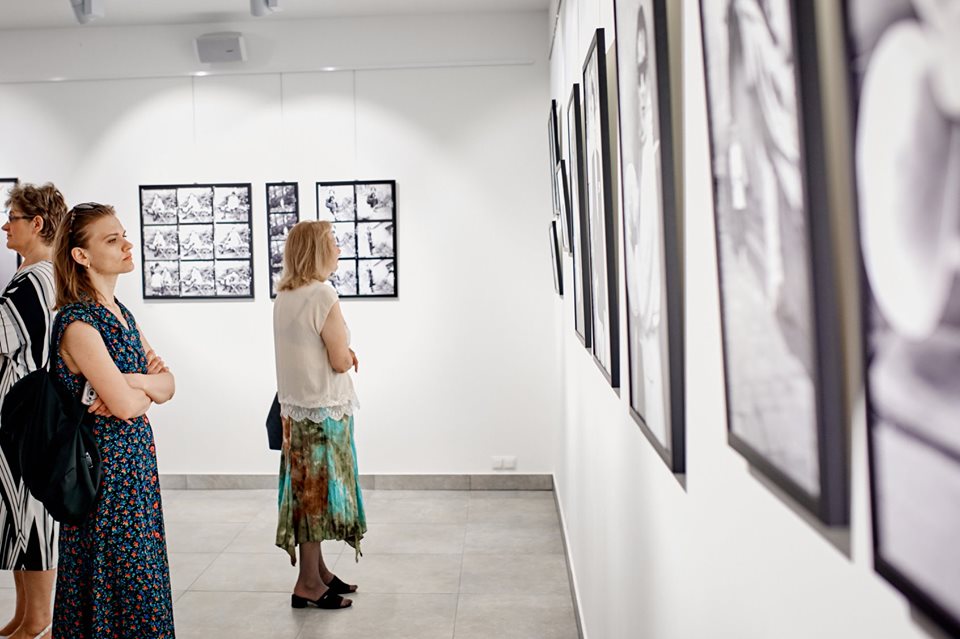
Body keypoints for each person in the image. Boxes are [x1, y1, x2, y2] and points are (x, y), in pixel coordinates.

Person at [50, 202, 176, 638]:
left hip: (135, 472)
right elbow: (124, 407)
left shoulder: (122, 314)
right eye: (112, 239)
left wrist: (133, 381)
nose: (127, 244)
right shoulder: (77, 325)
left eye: (123, 235)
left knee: (141, 581)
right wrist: (141, 389)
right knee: (115, 587)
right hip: (103, 480)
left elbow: (169, 385)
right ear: (81, 255)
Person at [273, 220, 365, 610]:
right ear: (317, 250)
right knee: (317, 498)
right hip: (323, 413)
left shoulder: (285, 295)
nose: (339, 248)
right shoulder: (323, 294)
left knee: (305, 494)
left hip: (295, 413)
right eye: (333, 242)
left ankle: (319, 572)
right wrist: (350, 354)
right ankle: (308, 583)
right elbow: (339, 360)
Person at [0, 183, 68, 639]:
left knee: (30, 514)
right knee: (17, 511)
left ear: (37, 223)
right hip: (25, 410)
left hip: (27, 412)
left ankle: (38, 617)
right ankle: (25, 613)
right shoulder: (37, 274)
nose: (6, 227)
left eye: (13, 218)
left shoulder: (36, 278)